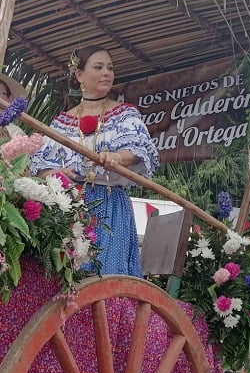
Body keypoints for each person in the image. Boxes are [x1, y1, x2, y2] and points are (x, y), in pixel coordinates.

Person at [29, 45, 160, 277]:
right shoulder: (60, 123)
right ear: (80, 75)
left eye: (110, 68)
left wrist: (117, 157)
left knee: (107, 276)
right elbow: (37, 165)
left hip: (110, 203)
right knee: (67, 277)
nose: (106, 73)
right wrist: (53, 173)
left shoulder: (125, 114)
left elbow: (140, 149)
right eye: (98, 67)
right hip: (69, 207)